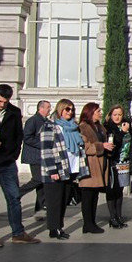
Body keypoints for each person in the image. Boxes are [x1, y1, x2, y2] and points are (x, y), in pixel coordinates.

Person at [40, 99, 90, 240]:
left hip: (71, 169)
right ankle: (53, 229)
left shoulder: (74, 126)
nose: (70, 112)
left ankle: (59, 227)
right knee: (54, 201)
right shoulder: (50, 126)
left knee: (64, 200)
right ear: (60, 110)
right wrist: (52, 171)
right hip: (56, 170)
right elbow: (46, 150)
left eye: (72, 109)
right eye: (67, 109)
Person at [0, 84, 40, 246]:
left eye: (5, 101)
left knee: (14, 197)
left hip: (7, 162)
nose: (2, 104)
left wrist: (13, 154)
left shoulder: (14, 112)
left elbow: (18, 136)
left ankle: (18, 233)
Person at [78, 102, 113, 233]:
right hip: (89, 165)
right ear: (90, 112)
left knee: (94, 196)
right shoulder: (83, 127)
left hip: (100, 164)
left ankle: (91, 222)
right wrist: (101, 146)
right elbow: (85, 147)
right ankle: (88, 224)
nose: (100, 113)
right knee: (87, 196)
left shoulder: (100, 127)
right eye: (98, 111)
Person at [20, 100, 51, 221]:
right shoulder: (33, 120)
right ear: (41, 108)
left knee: (42, 182)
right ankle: (18, 193)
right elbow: (27, 137)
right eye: (48, 107)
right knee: (38, 179)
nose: (49, 109)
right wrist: (42, 144)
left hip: (42, 156)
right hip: (34, 156)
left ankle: (40, 209)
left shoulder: (47, 121)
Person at [104, 105, 131, 229]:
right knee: (112, 190)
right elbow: (113, 144)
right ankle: (113, 217)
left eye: (120, 114)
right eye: (115, 114)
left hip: (124, 162)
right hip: (113, 162)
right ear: (110, 115)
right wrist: (122, 132)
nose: (117, 117)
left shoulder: (126, 125)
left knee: (120, 190)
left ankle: (119, 216)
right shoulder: (108, 127)